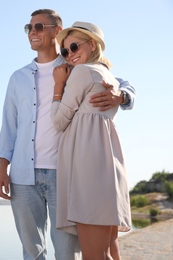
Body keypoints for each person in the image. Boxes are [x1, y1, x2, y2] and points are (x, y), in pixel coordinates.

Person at [0, 9, 135, 260]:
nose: (32, 32)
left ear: (55, 32)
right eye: (29, 28)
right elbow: (9, 126)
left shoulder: (76, 66)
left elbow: (121, 82)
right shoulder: (18, 78)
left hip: (66, 174)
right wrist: (2, 168)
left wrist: (122, 96)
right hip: (23, 176)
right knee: (31, 251)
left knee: (67, 253)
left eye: (39, 27)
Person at [51, 21, 132, 259]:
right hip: (108, 165)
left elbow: (58, 122)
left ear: (93, 45)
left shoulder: (83, 72)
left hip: (88, 169)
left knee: (94, 255)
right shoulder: (109, 77)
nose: (70, 55)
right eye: (65, 51)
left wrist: (58, 86)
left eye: (74, 47)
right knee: (110, 250)